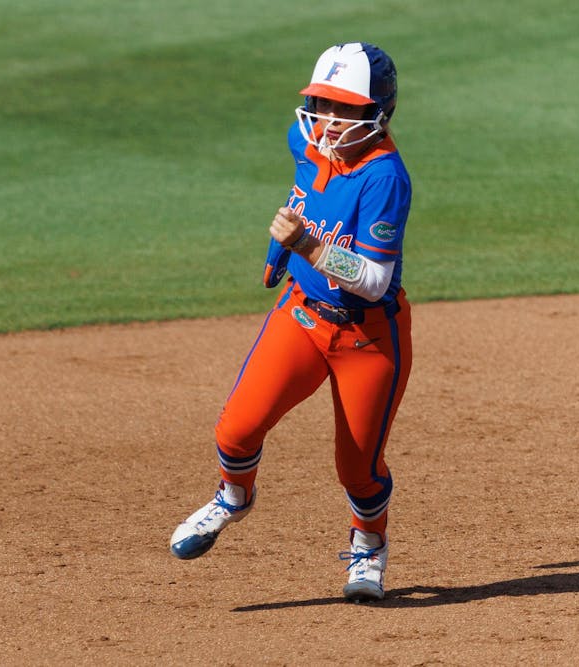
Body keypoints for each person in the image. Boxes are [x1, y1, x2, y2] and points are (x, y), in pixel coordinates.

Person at [169, 42, 413, 603]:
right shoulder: (305, 140)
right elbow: (302, 189)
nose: (326, 120)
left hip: (368, 337)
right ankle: (234, 496)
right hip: (302, 316)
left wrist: (305, 244)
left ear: (377, 112)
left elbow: (375, 280)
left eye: (342, 108)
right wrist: (283, 252)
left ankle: (369, 544)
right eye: (321, 103)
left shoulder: (386, 178)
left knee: (358, 468)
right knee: (235, 429)